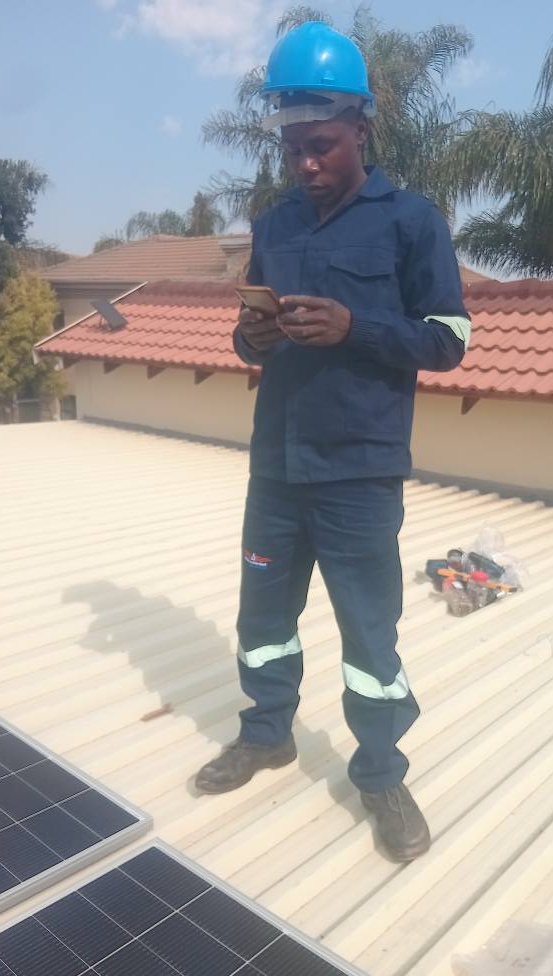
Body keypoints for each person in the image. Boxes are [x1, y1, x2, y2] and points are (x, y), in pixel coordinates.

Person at [195, 21, 471, 862]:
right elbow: (249, 339)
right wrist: (253, 337)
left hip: (359, 469)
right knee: (263, 617)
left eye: (321, 146)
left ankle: (381, 774)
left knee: (369, 635)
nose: (306, 164)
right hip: (277, 465)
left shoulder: (411, 222)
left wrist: (356, 327)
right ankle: (267, 731)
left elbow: (448, 340)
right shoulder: (275, 224)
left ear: (361, 129)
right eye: (293, 150)